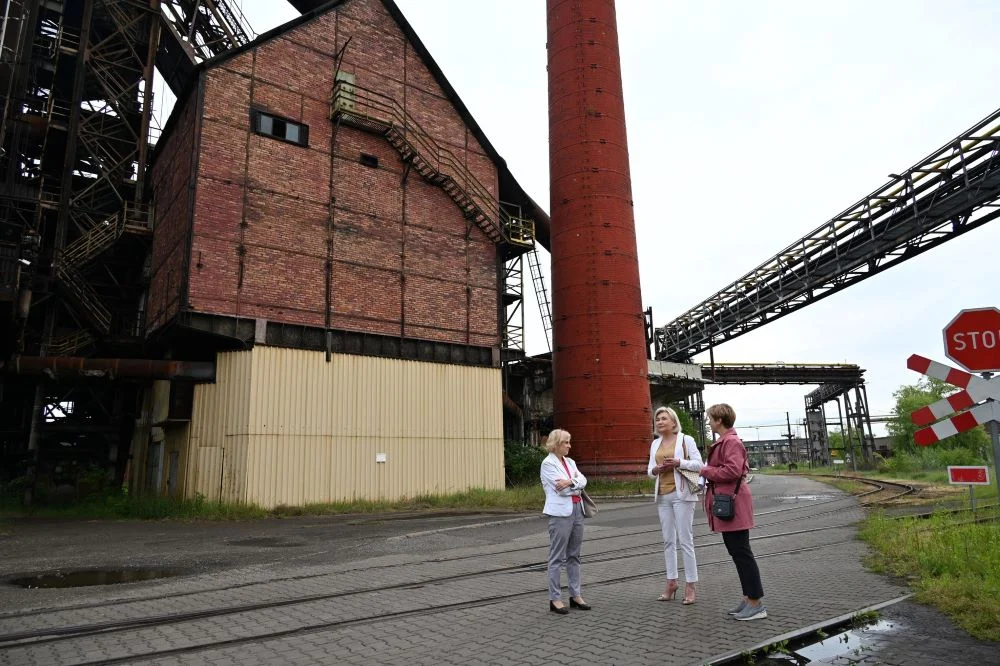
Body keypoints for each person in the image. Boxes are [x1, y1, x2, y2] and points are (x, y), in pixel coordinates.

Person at [700, 403, 767, 620]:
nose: (709, 421)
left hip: (734, 503)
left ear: (719, 420)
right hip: (730, 502)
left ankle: (756, 604)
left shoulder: (731, 441)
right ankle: (749, 598)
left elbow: (732, 470)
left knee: (742, 554)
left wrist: (703, 469)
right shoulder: (726, 441)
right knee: (738, 554)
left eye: (710, 418)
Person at [646, 406, 703, 604]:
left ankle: (691, 585)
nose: (660, 421)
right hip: (662, 495)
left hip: (682, 495)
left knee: (685, 541)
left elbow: (699, 464)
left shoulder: (686, 439)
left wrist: (678, 462)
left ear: (673, 422)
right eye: (657, 419)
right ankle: (671, 582)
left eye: (664, 418)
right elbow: (648, 471)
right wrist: (656, 469)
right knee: (668, 541)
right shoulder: (655, 444)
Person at [540, 428, 591, 614]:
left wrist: (570, 482)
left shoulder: (570, 462)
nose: (569, 445)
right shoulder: (548, 464)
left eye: (570, 442)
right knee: (557, 557)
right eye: (566, 442)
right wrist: (574, 483)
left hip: (578, 510)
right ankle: (555, 599)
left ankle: (575, 595)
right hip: (560, 514)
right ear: (555, 444)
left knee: (574, 555)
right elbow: (560, 490)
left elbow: (583, 480)